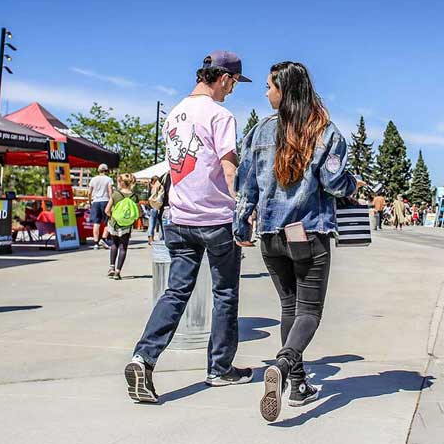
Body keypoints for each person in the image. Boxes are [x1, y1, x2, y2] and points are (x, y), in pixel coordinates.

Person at [234, 61, 361, 422]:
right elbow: (335, 183)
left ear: (286, 91)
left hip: (270, 236)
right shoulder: (325, 132)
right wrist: (353, 186)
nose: (266, 92)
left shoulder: (258, 132)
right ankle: (286, 364)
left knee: (288, 309)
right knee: (309, 312)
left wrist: (241, 225)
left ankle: (298, 383)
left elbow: (245, 187)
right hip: (308, 234)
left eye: (269, 86)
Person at [126, 50, 252, 403]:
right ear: (224, 78)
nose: (232, 91)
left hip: (179, 219)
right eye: (234, 84)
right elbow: (229, 168)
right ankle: (220, 368)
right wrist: (244, 211)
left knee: (176, 292)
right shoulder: (220, 114)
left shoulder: (175, 114)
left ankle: (144, 358)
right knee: (224, 293)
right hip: (215, 219)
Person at [104, 173, 139, 279]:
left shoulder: (115, 194)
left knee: (114, 244)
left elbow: (107, 210)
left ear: (121, 182)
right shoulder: (134, 196)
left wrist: (114, 217)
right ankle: (118, 272)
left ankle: (111, 267)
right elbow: (139, 213)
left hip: (115, 224)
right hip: (127, 225)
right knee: (123, 247)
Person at [88, 164, 113, 249]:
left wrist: (90, 201)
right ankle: (103, 238)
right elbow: (110, 191)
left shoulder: (93, 179)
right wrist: (112, 201)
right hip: (105, 201)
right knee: (108, 221)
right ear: (106, 171)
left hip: (95, 201)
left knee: (96, 223)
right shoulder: (109, 179)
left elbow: (89, 192)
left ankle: (95, 242)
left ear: (98, 170)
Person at [145, 175, 164, 245]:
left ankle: (150, 238)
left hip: (151, 207)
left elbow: (148, 198)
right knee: (161, 224)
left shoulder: (151, 188)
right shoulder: (160, 187)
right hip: (159, 207)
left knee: (151, 223)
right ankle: (162, 238)